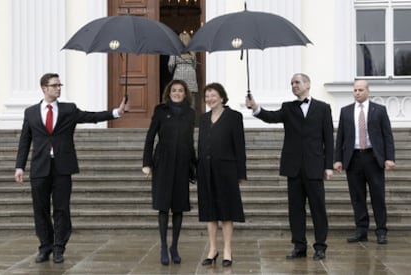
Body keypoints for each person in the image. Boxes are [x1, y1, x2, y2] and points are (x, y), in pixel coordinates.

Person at [14, 73, 126, 264]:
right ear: (44, 88)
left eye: (60, 85)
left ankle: (59, 248)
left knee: (61, 209)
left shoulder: (68, 109)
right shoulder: (31, 112)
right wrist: (19, 166)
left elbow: (91, 117)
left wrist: (115, 112)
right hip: (39, 168)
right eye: (55, 85)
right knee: (40, 210)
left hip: (62, 168)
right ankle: (45, 247)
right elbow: (25, 140)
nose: (59, 88)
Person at [245, 73, 334, 261]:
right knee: (295, 209)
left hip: (314, 166)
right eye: (292, 83)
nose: (294, 85)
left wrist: (328, 166)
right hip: (293, 167)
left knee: (318, 208)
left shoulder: (323, 108)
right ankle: (299, 246)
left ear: (308, 84)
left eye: (297, 82)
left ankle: (320, 247)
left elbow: (328, 139)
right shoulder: (288, 107)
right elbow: (271, 117)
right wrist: (256, 107)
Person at [334, 79, 395, 244]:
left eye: (360, 90)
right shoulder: (346, 111)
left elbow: (387, 135)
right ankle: (361, 231)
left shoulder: (379, 110)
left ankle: (381, 231)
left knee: (378, 196)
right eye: (355, 90)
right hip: (353, 159)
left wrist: (389, 158)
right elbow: (340, 137)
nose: (357, 93)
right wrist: (337, 159)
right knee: (357, 197)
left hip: (373, 158)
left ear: (368, 91)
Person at [142, 79, 196, 266]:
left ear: (185, 93)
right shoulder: (160, 111)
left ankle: (174, 246)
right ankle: (164, 246)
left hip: (182, 164)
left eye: (181, 90)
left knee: (179, 207)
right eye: (174, 90)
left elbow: (190, 142)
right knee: (163, 206)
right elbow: (150, 137)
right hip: (163, 163)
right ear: (169, 92)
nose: (177, 93)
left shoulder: (190, 113)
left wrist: (194, 168)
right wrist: (146, 163)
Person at [197, 83, 246, 267]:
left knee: (226, 211)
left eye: (213, 95)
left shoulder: (234, 116)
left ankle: (227, 250)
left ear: (222, 97)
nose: (210, 99)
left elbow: (239, 146)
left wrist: (241, 172)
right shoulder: (203, 118)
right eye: (207, 96)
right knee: (209, 212)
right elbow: (201, 145)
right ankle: (212, 249)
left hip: (227, 170)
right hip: (206, 169)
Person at [168, 31, 199, 109]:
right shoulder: (192, 50)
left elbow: (171, 64)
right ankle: (191, 119)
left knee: (178, 97)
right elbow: (195, 65)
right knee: (191, 100)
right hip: (191, 74)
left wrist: (171, 71)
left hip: (179, 74)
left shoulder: (175, 49)